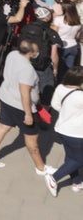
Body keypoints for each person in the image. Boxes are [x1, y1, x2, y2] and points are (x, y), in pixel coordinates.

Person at [0, 39, 54, 174]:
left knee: (2, 127)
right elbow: (24, 92)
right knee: (32, 138)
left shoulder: (12, 54)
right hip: (21, 107)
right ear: (31, 54)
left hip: (6, 97)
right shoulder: (27, 70)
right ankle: (41, 167)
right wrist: (28, 114)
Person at [48, 66, 83, 196]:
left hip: (61, 128)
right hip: (77, 133)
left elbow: (55, 105)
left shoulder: (60, 88)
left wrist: (68, 111)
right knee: (79, 160)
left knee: (70, 157)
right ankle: (54, 178)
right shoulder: (80, 96)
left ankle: (76, 182)